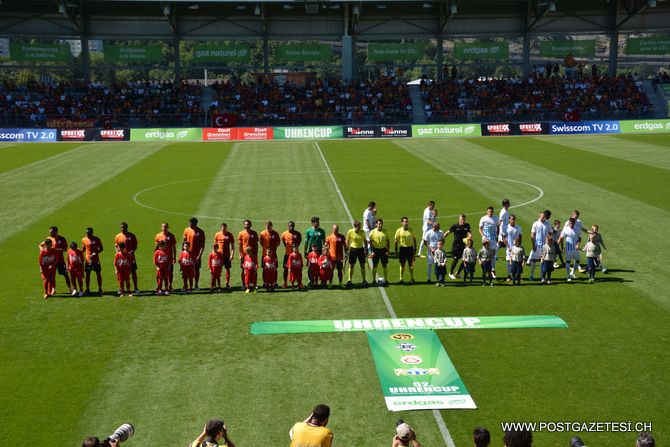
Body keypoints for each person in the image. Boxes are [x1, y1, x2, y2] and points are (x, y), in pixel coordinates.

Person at [444, 214, 472, 279]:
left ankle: (458, 273)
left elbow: (470, 233)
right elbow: (448, 232)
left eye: (464, 220)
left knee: (465, 260)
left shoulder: (467, 225)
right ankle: (450, 273)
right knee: (455, 260)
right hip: (456, 246)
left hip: (463, 246)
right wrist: (443, 237)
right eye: (462, 219)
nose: (463, 221)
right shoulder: (455, 226)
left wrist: (468, 237)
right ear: (459, 219)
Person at [115, 222, 139, 293]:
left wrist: (132, 251)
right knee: (120, 273)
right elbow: (116, 245)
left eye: (124, 227)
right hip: (121, 258)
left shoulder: (132, 235)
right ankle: (121, 289)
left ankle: (135, 288)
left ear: (127, 227)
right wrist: (118, 252)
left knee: (133, 272)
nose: (122, 228)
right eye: (121, 227)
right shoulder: (118, 236)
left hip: (131, 257)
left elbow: (135, 246)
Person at [528, 211, 552, 281]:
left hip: (544, 246)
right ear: (539, 216)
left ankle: (542, 277)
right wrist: (533, 245)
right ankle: (532, 275)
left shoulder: (547, 224)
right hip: (537, 245)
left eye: (543, 216)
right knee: (534, 260)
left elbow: (550, 233)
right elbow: (532, 235)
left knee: (543, 261)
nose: (543, 218)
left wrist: (549, 241)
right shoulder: (535, 224)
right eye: (542, 216)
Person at [48, 226, 72, 294]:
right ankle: (54, 289)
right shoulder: (48, 239)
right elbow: (43, 246)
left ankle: (70, 288)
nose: (50, 233)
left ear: (56, 231)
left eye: (52, 232)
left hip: (60, 260)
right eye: (49, 232)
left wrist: (56, 249)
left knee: (65, 274)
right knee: (52, 276)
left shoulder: (62, 239)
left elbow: (65, 249)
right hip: (52, 261)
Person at [183, 217, 206, 289]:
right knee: (186, 270)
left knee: (196, 270)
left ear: (195, 224)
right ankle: (185, 285)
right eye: (189, 223)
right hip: (187, 254)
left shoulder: (201, 232)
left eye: (190, 223)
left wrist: (199, 255)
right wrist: (183, 252)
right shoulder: (186, 230)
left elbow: (202, 245)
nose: (189, 224)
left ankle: (196, 284)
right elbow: (184, 243)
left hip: (196, 255)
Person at [155, 222, 177, 291]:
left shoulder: (171, 236)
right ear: (161, 227)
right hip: (160, 259)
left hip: (168, 258)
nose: (164, 228)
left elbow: (174, 248)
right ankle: (159, 287)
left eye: (166, 227)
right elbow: (156, 248)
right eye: (163, 227)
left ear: (168, 227)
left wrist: (174, 257)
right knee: (159, 273)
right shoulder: (158, 236)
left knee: (170, 272)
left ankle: (170, 286)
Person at [238, 219, 259, 291]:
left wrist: (255, 254)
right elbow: (240, 245)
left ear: (250, 225)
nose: (246, 226)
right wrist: (240, 254)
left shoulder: (254, 233)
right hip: (244, 255)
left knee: (254, 269)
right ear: (243, 225)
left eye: (248, 224)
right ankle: (244, 284)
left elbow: (256, 245)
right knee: (243, 270)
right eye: (245, 224)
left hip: (252, 255)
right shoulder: (241, 233)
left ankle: (254, 284)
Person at [82, 227, 104, 296]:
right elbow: (83, 249)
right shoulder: (84, 239)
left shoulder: (97, 239)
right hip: (88, 260)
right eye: (86, 233)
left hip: (96, 260)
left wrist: (96, 252)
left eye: (88, 233)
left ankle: (100, 288)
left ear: (92, 233)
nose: (87, 234)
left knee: (98, 274)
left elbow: (101, 248)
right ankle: (87, 289)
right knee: (88, 274)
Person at [346, 220, 368, 287]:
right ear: (355, 226)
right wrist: (347, 249)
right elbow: (347, 240)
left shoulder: (362, 232)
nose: (360, 228)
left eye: (360, 226)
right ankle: (349, 280)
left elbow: (365, 240)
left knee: (362, 265)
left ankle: (364, 280)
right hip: (353, 249)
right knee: (351, 265)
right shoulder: (350, 231)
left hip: (360, 249)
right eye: (359, 226)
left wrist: (366, 249)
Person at [394, 217, 417, 284]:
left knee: (411, 264)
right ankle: (401, 278)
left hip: (410, 248)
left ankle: (412, 278)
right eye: (405, 222)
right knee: (402, 264)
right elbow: (396, 240)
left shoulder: (411, 230)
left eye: (407, 221)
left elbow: (415, 239)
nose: (406, 223)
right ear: (402, 223)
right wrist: (396, 250)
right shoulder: (399, 230)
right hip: (402, 249)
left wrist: (415, 249)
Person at [368, 218, 390, 286]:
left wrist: (387, 250)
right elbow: (370, 242)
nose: (380, 225)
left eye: (381, 224)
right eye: (379, 224)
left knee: (384, 265)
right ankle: (374, 280)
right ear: (376, 224)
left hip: (383, 250)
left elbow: (388, 241)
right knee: (375, 265)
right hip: (376, 250)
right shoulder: (372, 232)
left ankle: (386, 280)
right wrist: (371, 251)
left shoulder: (385, 232)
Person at [478, 206, 498, 278]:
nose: (490, 212)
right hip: (486, 239)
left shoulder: (496, 218)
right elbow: (480, 229)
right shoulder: (483, 218)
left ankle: (492, 270)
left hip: (493, 239)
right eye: (489, 211)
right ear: (487, 212)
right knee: (485, 255)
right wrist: (483, 237)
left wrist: (497, 236)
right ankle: (486, 270)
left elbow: (497, 227)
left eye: (492, 211)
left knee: (493, 255)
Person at [214, 222, 235, 289]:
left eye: (225, 229)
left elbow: (233, 246)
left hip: (227, 255)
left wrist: (232, 255)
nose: (224, 230)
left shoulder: (230, 235)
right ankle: (217, 285)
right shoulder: (217, 234)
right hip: (219, 256)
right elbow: (215, 246)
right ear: (221, 228)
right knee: (218, 270)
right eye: (223, 229)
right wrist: (215, 254)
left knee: (228, 269)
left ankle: (227, 283)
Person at [281, 221, 302, 288]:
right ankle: (285, 283)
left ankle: (299, 283)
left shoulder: (297, 234)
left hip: (295, 255)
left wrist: (295, 250)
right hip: (287, 255)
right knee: (285, 269)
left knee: (298, 269)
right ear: (288, 226)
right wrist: (288, 248)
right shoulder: (284, 234)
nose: (291, 227)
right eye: (290, 226)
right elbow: (283, 241)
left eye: (292, 226)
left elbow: (299, 241)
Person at [558, 217, 580, 282]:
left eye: (572, 223)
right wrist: (562, 247)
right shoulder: (566, 229)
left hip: (576, 249)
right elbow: (561, 238)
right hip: (568, 249)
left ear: (574, 223)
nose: (571, 224)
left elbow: (580, 238)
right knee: (568, 262)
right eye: (570, 223)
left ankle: (572, 272)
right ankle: (568, 276)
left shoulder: (577, 229)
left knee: (578, 261)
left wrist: (578, 244)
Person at [504, 214, 522, 282]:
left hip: (516, 248)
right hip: (509, 248)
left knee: (518, 261)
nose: (513, 220)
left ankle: (518, 276)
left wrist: (519, 245)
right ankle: (509, 276)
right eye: (511, 219)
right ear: (509, 220)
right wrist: (508, 246)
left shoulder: (518, 227)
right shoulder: (506, 228)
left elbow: (520, 237)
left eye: (514, 219)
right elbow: (504, 238)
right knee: (509, 261)